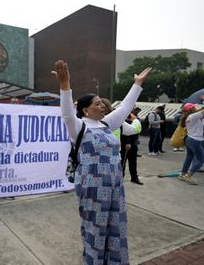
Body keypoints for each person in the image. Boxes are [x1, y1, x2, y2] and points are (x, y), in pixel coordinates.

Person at [53, 60, 151, 264]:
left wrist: (137, 84)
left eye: (101, 103)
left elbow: (125, 107)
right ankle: (94, 260)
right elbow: (66, 113)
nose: (102, 106)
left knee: (116, 225)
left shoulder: (106, 124)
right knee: (95, 227)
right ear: (86, 110)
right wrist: (65, 85)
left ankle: (114, 260)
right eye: (97, 104)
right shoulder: (79, 127)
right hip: (92, 188)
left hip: (115, 184)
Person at [178, 103, 204, 185]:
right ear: (191, 109)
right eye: (194, 107)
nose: (196, 108)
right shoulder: (193, 116)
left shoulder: (190, 117)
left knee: (189, 157)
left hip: (190, 139)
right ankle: (188, 176)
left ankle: (183, 174)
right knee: (201, 159)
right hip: (195, 140)